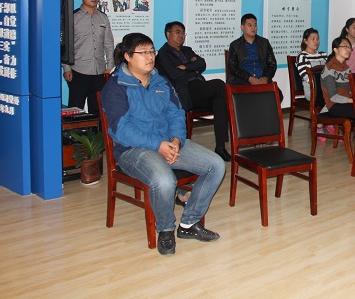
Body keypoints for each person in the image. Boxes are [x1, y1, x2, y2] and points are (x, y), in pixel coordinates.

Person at [101, 33, 225, 256]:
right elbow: (123, 129)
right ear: (127, 56)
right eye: (143, 52)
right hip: (133, 150)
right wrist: (158, 145)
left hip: (168, 142)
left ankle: (189, 223)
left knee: (216, 165)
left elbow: (176, 113)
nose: (150, 57)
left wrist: (176, 140)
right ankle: (166, 229)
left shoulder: (161, 81)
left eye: (152, 51)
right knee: (165, 180)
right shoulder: (116, 86)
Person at [156, 21, 231, 161]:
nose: (181, 36)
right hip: (185, 92)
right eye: (177, 32)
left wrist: (185, 66)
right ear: (168, 34)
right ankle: (232, 130)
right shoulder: (163, 54)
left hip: (198, 88)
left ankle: (220, 147)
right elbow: (174, 74)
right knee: (219, 85)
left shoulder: (187, 50)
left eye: (183, 33)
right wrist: (192, 66)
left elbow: (202, 63)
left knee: (219, 100)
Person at [63, 0, 115, 113]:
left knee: (98, 111)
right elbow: (65, 45)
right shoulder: (73, 18)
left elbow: (108, 43)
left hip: (99, 72)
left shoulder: (103, 18)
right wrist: (66, 68)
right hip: (78, 71)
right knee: (75, 109)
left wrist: (110, 66)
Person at [227, 13, 282, 101]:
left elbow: (272, 64)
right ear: (242, 27)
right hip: (242, 79)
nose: (253, 28)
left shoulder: (264, 43)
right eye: (250, 25)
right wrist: (249, 78)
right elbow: (232, 68)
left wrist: (266, 77)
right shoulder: (235, 45)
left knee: (278, 95)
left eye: (255, 25)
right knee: (251, 93)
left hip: (262, 79)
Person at [295, 28, 328, 101]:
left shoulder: (323, 55)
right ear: (305, 41)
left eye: (317, 39)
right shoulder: (302, 56)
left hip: (326, 88)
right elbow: (307, 77)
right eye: (313, 39)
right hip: (313, 90)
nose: (316, 41)